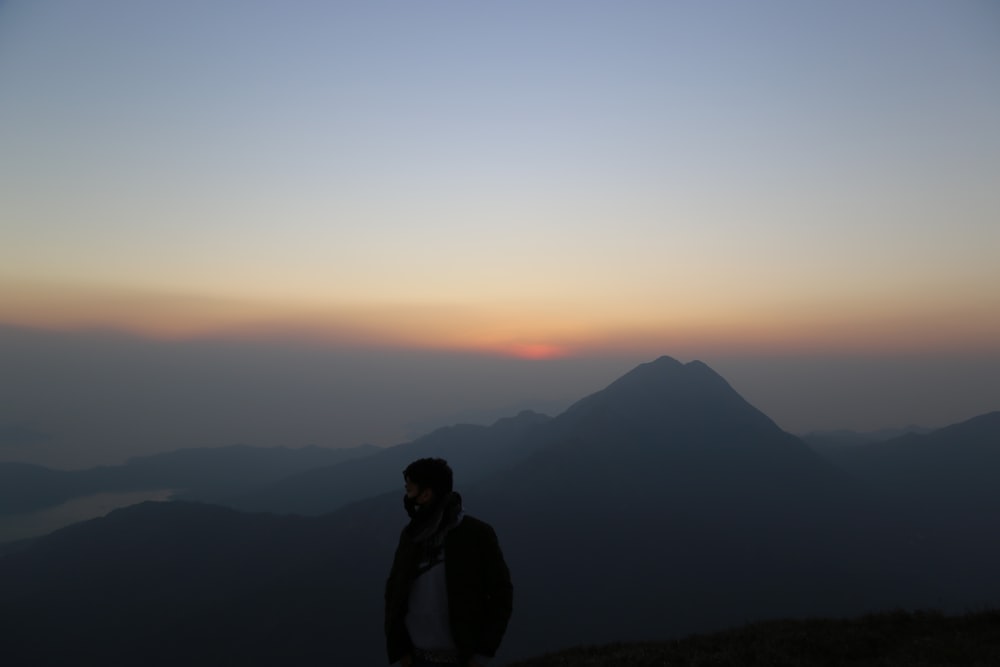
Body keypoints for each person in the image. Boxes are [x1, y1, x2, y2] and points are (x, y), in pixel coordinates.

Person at [385, 458, 513, 667]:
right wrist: (401, 651)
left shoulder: (476, 534)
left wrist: (482, 654)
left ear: (426, 494)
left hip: (462, 660)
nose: (407, 496)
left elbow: (501, 595)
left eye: (410, 490)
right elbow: (394, 593)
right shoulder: (410, 537)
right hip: (416, 659)